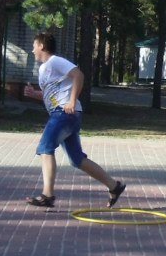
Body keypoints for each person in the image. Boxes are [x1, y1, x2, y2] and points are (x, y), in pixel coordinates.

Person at [24, 32, 126, 209]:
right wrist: (35, 95)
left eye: (34, 46)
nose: (32, 50)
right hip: (64, 113)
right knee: (76, 159)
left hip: (64, 113)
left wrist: (72, 101)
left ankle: (47, 195)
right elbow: (53, 94)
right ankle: (114, 186)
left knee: (45, 148)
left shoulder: (55, 61)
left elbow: (78, 75)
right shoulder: (43, 69)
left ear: (41, 46)